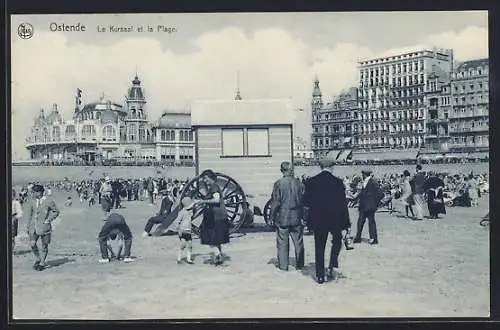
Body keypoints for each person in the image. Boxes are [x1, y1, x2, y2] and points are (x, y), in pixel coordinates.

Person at [302, 156, 351, 284]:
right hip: (334, 219)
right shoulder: (338, 182)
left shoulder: (312, 181)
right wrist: (346, 223)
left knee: (319, 246)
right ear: (332, 167)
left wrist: (307, 220)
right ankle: (331, 265)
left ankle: (319, 275)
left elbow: (306, 202)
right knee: (337, 242)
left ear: (321, 167)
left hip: (318, 220)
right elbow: (343, 204)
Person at [269, 161, 305, 272]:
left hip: (283, 217)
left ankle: (283, 266)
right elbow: (303, 200)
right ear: (291, 170)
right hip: (296, 216)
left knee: (282, 242)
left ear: (282, 170)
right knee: (298, 241)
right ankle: (300, 264)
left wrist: (271, 216)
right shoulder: (299, 183)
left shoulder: (278, 184)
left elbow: (275, 202)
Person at [196, 169, 230, 266]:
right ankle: (218, 258)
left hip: (216, 216)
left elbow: (216, 200)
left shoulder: (214, 187)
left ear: (210, 177)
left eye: (205, 179)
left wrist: (203, 202)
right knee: (217, 240)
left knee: (211, 239)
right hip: (218, 216)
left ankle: (218, 255)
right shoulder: (213, 187)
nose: (205, 181)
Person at [26, 184, 60, 271]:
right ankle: (38, 258)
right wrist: (28, 226)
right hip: (33, 227)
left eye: (34, 192)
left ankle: (42, 262)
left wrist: (48, 219)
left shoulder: (49, 201)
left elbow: (56, 211)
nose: (32, 194)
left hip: (45, 227)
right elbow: (30, 214)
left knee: (44, 246)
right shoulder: (32, 201)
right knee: (32, 244)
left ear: (40, 192)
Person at [353, 169, 384, 245]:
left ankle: (373, 239)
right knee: (361, 222)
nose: (362, 176)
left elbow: (380, 193)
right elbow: (363, 193)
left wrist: (375, 203)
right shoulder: (367, 181)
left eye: (362, 174)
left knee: (370, 222)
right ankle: (358, 237)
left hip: (369, 206)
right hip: (364, 205)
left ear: (364, 174)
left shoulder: (373, 182)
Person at [174, 197, 195, 264]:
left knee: (190, 245)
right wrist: (178, 229)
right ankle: (179, 258)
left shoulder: (190, 211)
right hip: (182, 231)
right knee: (183, 245)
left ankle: (188, 259)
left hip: (188, 231)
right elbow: (177, 221)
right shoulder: (182, 212)